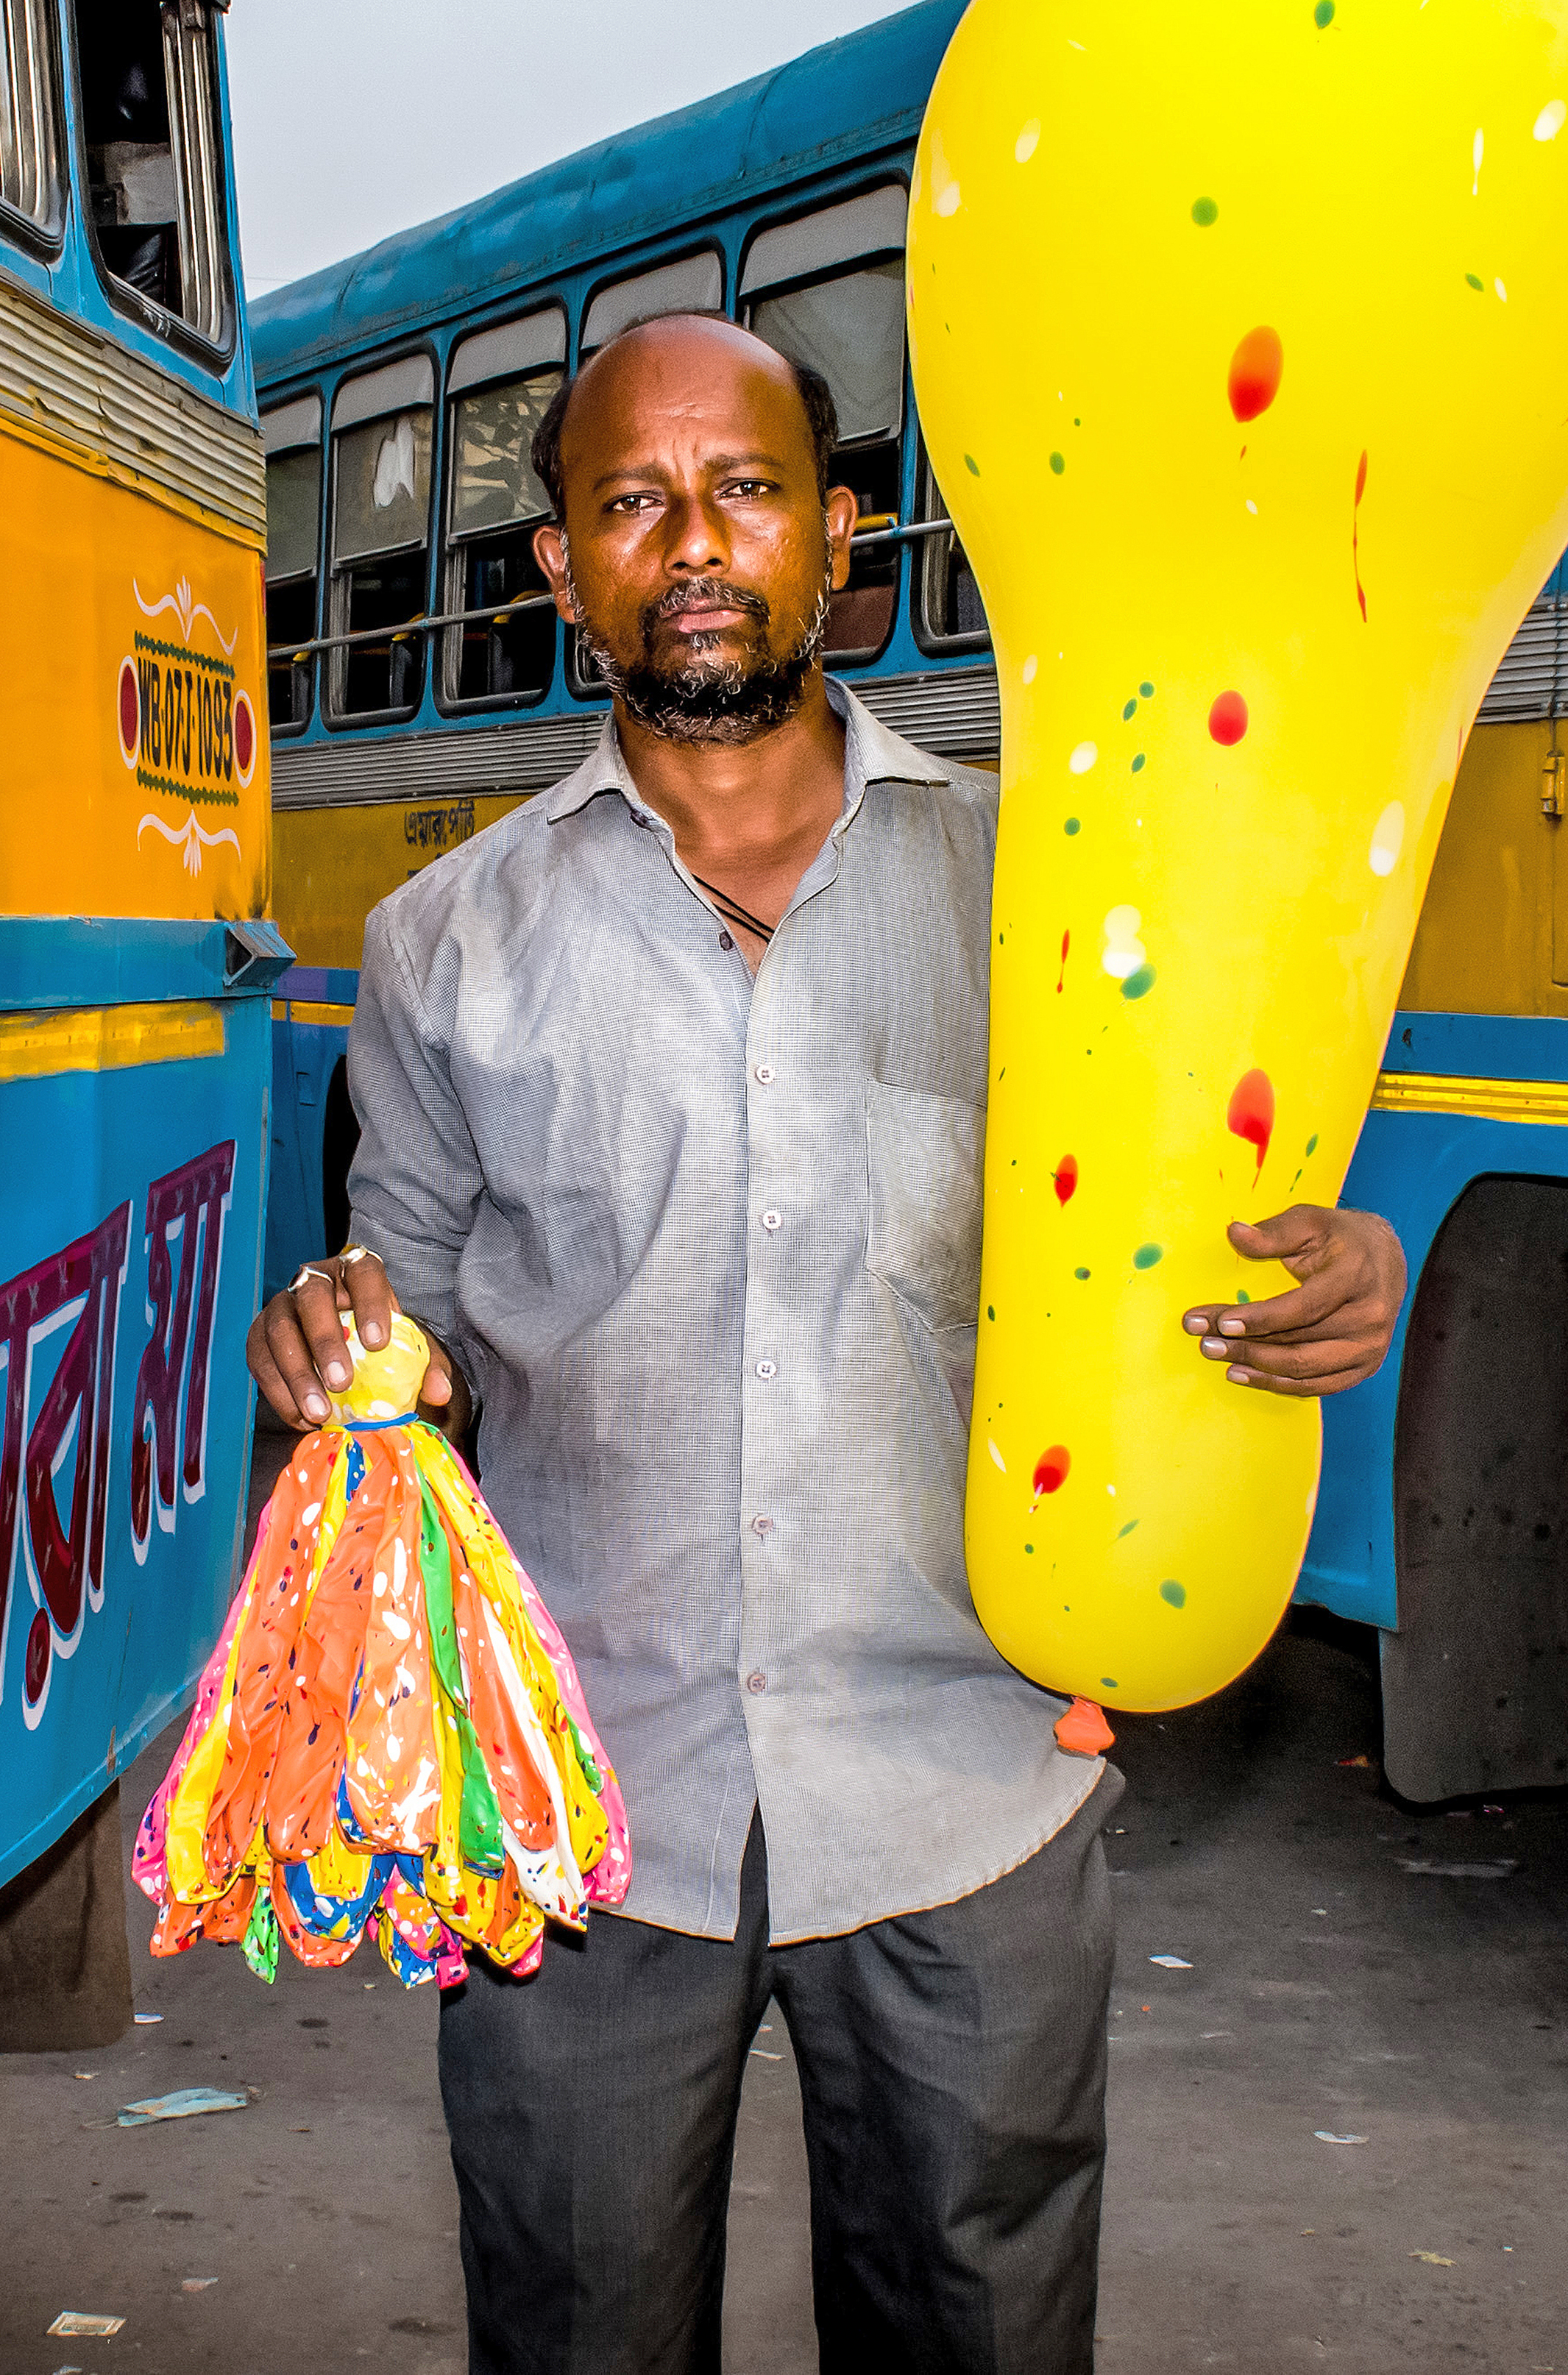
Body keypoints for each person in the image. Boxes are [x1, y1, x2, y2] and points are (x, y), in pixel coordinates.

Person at [244, 313, 1413, 2375]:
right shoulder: (447, 945)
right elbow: (404, 1297)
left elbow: (1193, 1244)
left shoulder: (1045, 897)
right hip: (584, 1818)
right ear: (562, 574)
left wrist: (1332, 1278)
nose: (693, 542)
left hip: (967, 1787)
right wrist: (346, 1341)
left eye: (747, 490)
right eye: (630, 503)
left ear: (840, 537)